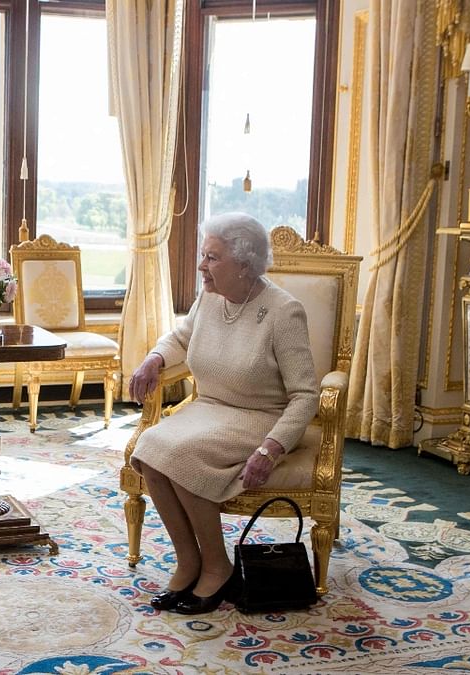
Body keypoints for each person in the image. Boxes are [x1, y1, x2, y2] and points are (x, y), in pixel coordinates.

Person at [128, 212, 318, 615]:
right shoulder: (210, 297)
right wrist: (154, 359)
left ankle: (217, 566)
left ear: (245, 264)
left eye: (211, 258)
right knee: (149, 446)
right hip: (211, 408)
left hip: (263, 416)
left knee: (182, 455)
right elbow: (181, 335)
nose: (201, 266)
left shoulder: (284, 312)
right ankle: (188, 561)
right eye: (203, 255)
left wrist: (271, 449)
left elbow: (305, 395)